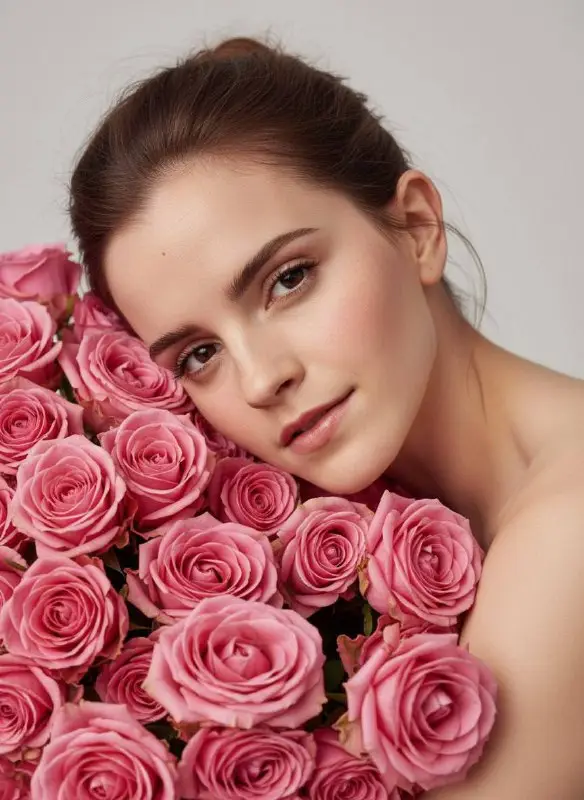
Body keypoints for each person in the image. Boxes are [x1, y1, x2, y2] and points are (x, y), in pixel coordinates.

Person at [68, 36, 584, 798]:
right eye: (199, 355)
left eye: (289, 279)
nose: (263, 378)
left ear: (416, 227)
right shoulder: (419, 553)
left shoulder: (567, 537)